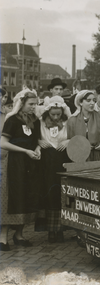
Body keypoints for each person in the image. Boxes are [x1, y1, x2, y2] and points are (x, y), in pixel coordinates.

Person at [0, 89, 42, 251]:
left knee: (26, 195)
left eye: (35, 104)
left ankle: (19, 234)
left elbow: (37, 140)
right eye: (31, 104)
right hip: (14, 163)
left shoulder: (35, 120)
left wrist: (37, 149)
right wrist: (24, 151)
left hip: (30, 164)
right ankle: (3, 238)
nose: (33, 107)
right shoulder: (13, 120)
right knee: (11, 197)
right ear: (22, 103)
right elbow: (3, 143)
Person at [36, 96, 71, 243]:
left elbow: (76, 136)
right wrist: (38, 141)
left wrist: (69, 141)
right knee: (49, 193)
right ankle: (50, 230)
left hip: (62, 158)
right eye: (53, 114)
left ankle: (61, 229)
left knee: (62, 192)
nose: (56, 117)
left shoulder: (67, 122)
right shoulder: (41, 123)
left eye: (58, 114)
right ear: (47, 112)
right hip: (47, 160)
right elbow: (33, 136)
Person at [67, 90, 100, 161]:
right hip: (81, 156)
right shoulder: (73, 120)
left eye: (94, 100)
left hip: (99, 155)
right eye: (88, 100)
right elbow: (71, 141)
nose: (92, 103)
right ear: (80, 102)